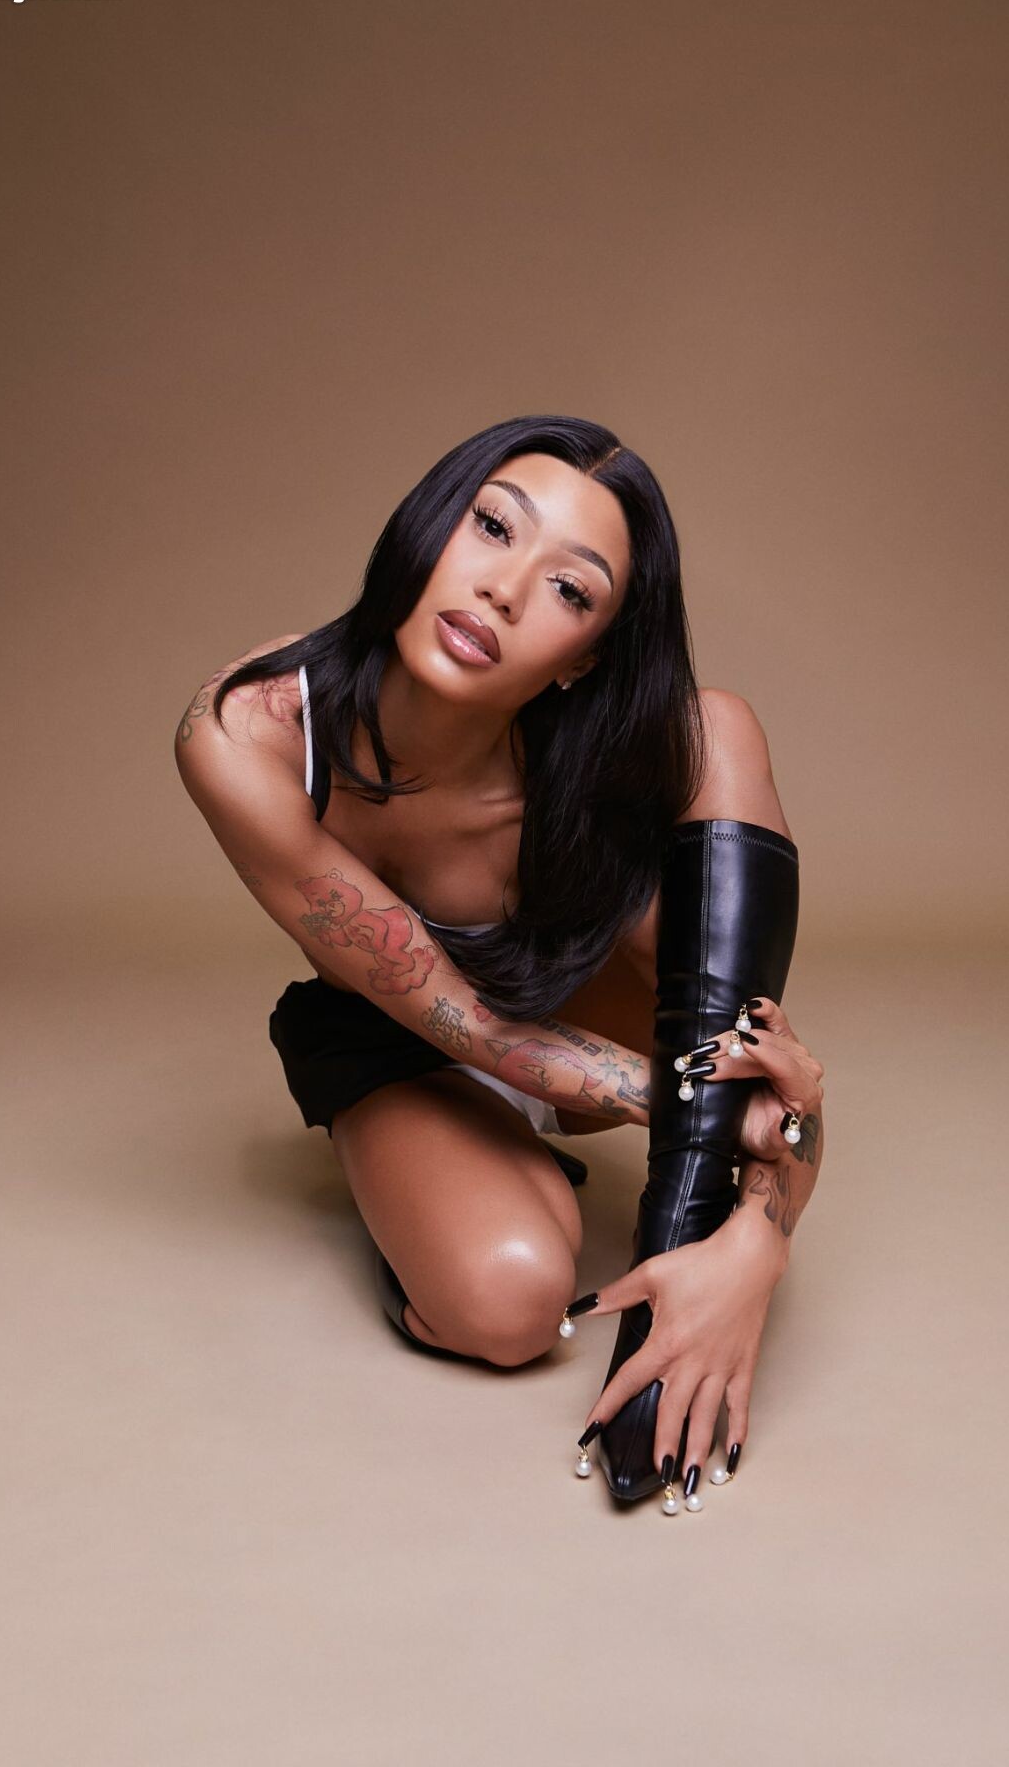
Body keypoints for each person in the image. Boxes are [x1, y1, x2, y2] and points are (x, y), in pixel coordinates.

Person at [174, 414, 826, 1512]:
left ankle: (674, 1239)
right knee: (510, 1304)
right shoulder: (251, 731)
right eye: (490, 527)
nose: (504, 591)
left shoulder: (621, 757)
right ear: (429, 522)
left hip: (590, 1008)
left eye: (570, 589)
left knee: (719, 726)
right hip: (411, 1033)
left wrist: (752, 1251)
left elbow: (770, 1069)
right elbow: (469, 1025)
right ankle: (427, 1175)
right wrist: (703, 1114)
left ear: (586, 656)